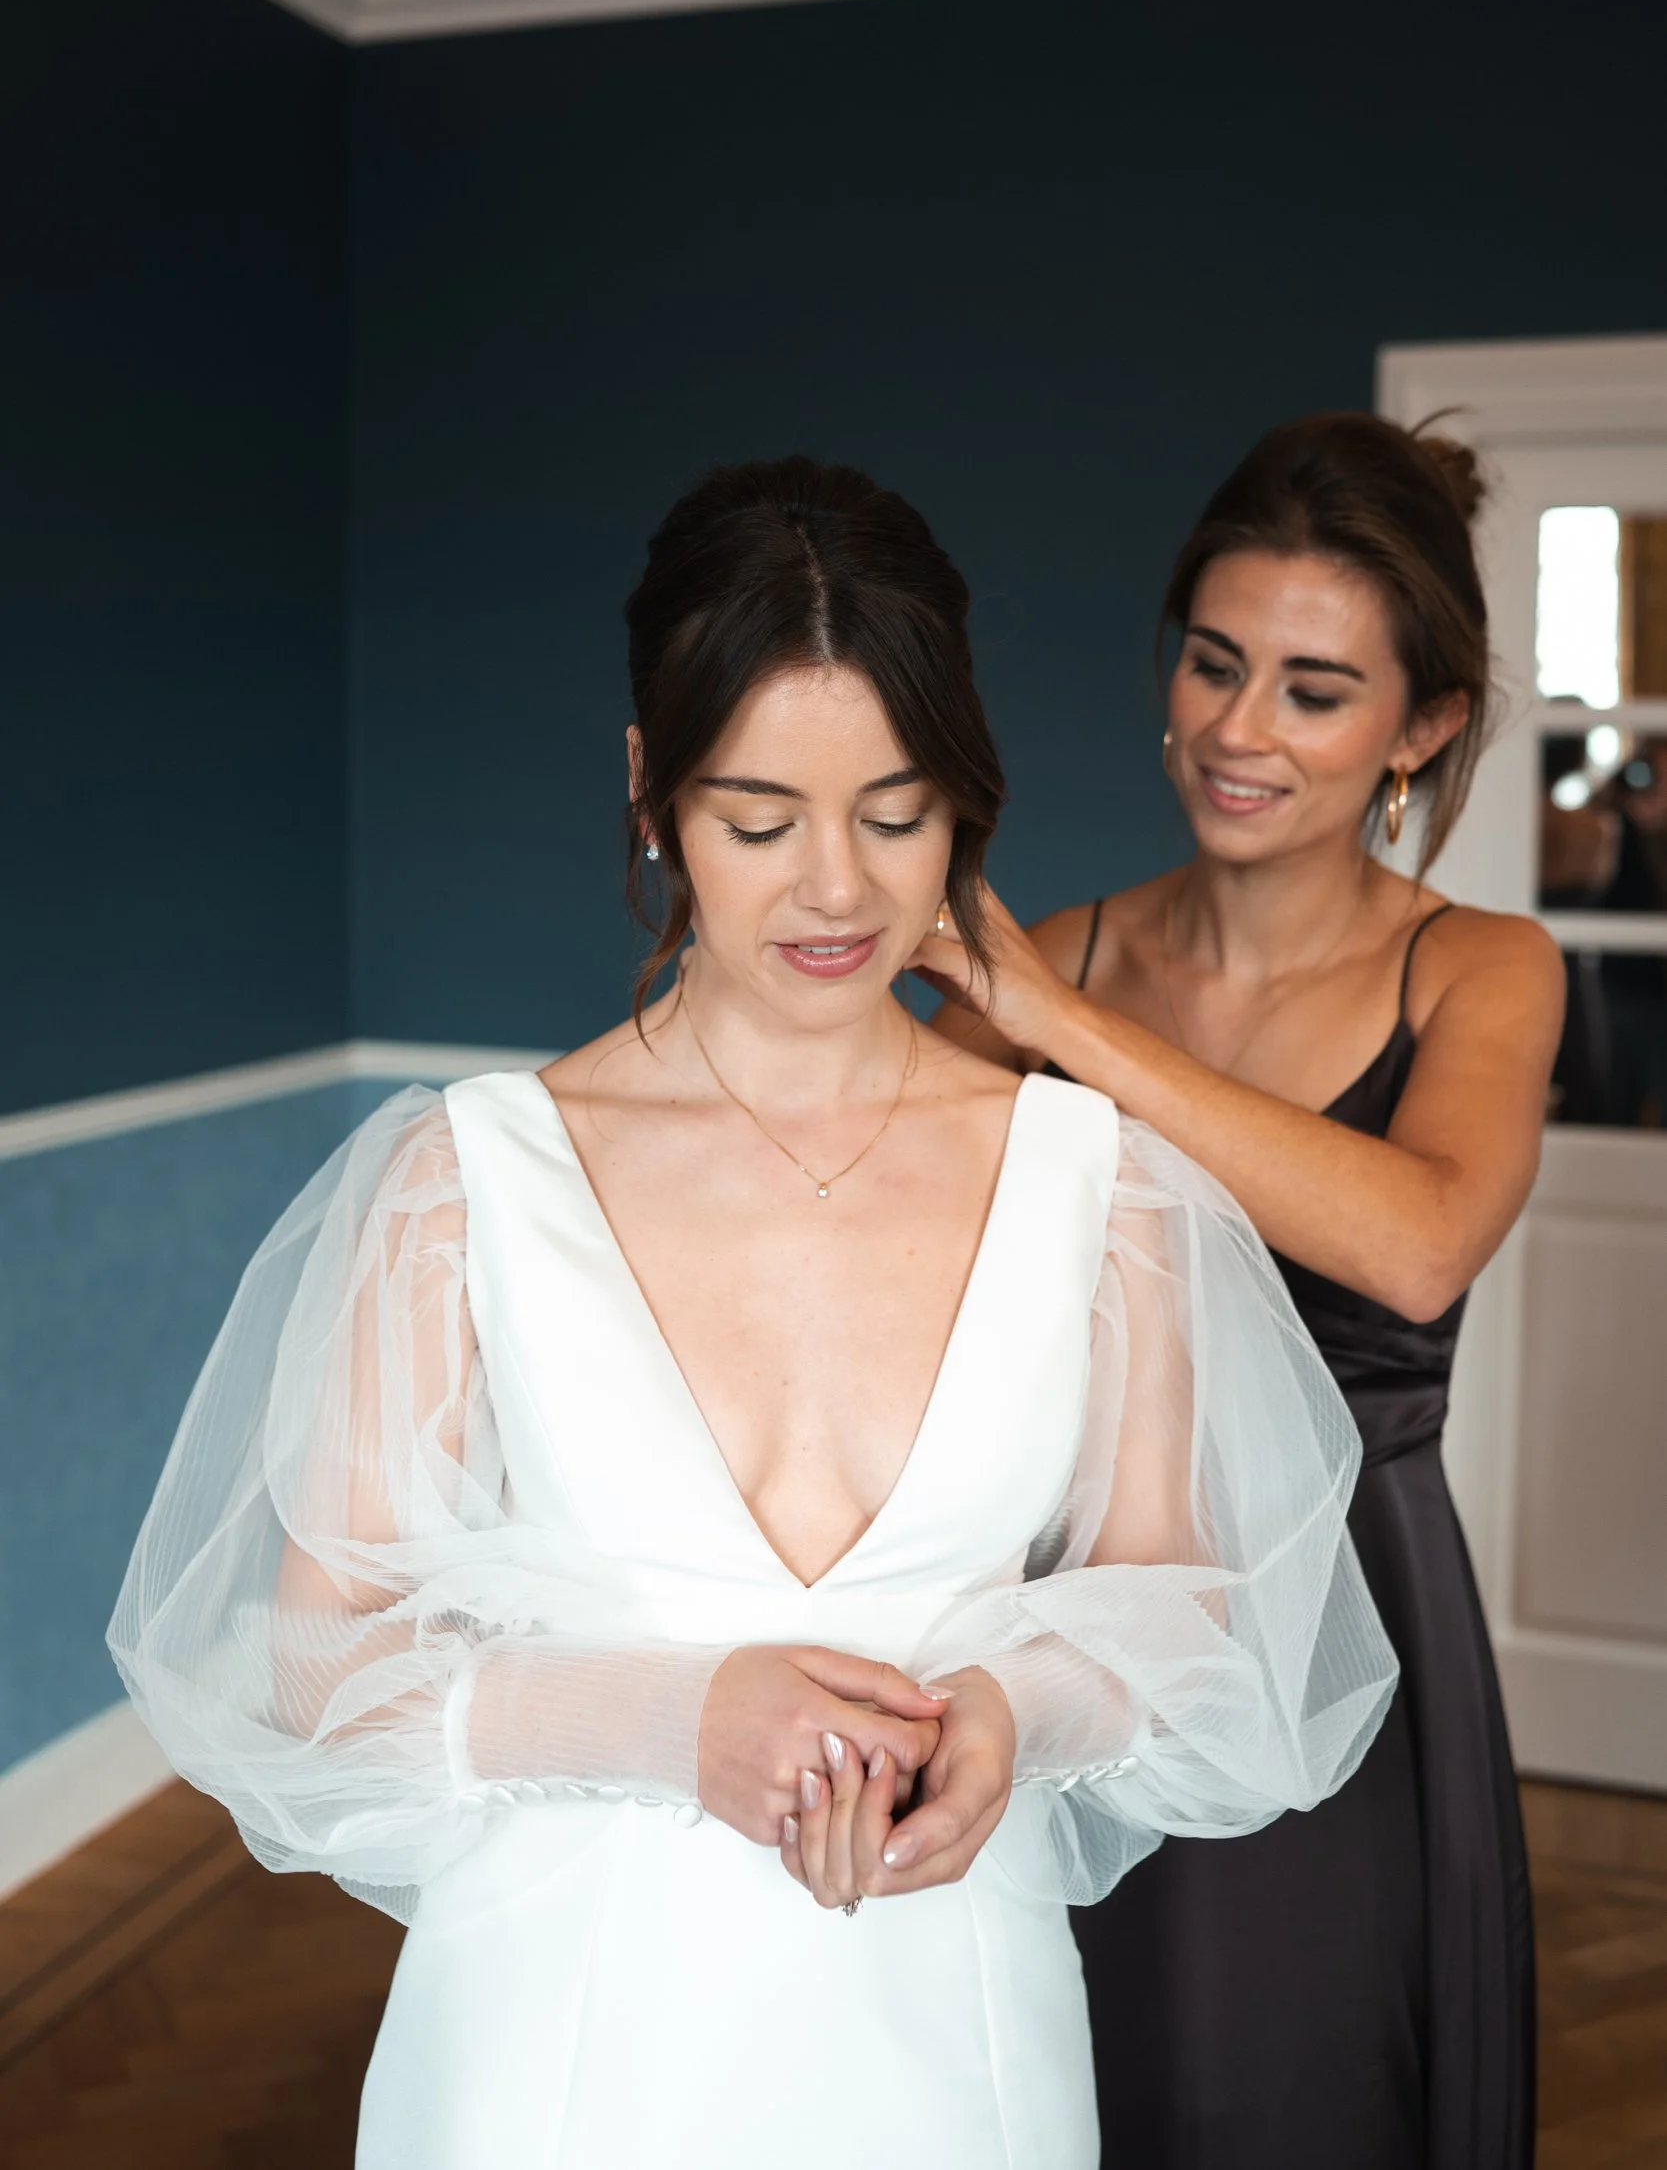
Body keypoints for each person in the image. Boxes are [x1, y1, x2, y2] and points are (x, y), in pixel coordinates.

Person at [111, 457, 1394, 2170]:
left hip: (959, 2037)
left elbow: (1172, 1610)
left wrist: (1017, 1715)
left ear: (963, 802)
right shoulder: (462, 1181)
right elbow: (313, 1664)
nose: (836, 892)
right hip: (554, 2045)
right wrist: (674, 1723)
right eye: (758, 819)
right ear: (652, 792)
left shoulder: (1097, 1185)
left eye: (893, 811)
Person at [927, 414, 1564, 2170]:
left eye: (1310, 689)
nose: (1233, 730)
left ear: (1419, 729)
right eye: (1213, 665)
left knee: (1285, 2093)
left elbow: (1419, 1237)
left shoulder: (1481, 969)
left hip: (1343, 1608)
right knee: (1066, 2077)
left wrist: (1060, 1032)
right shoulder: (1049, 953)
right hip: (1065, 1601)